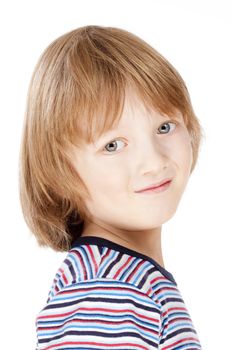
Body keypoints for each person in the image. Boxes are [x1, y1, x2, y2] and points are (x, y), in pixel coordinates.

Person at [19, 25, 204, 349]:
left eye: (164, 126)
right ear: (59, 171)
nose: (153, 161)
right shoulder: (107, 291)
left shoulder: (125, 279)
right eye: (113, 145)